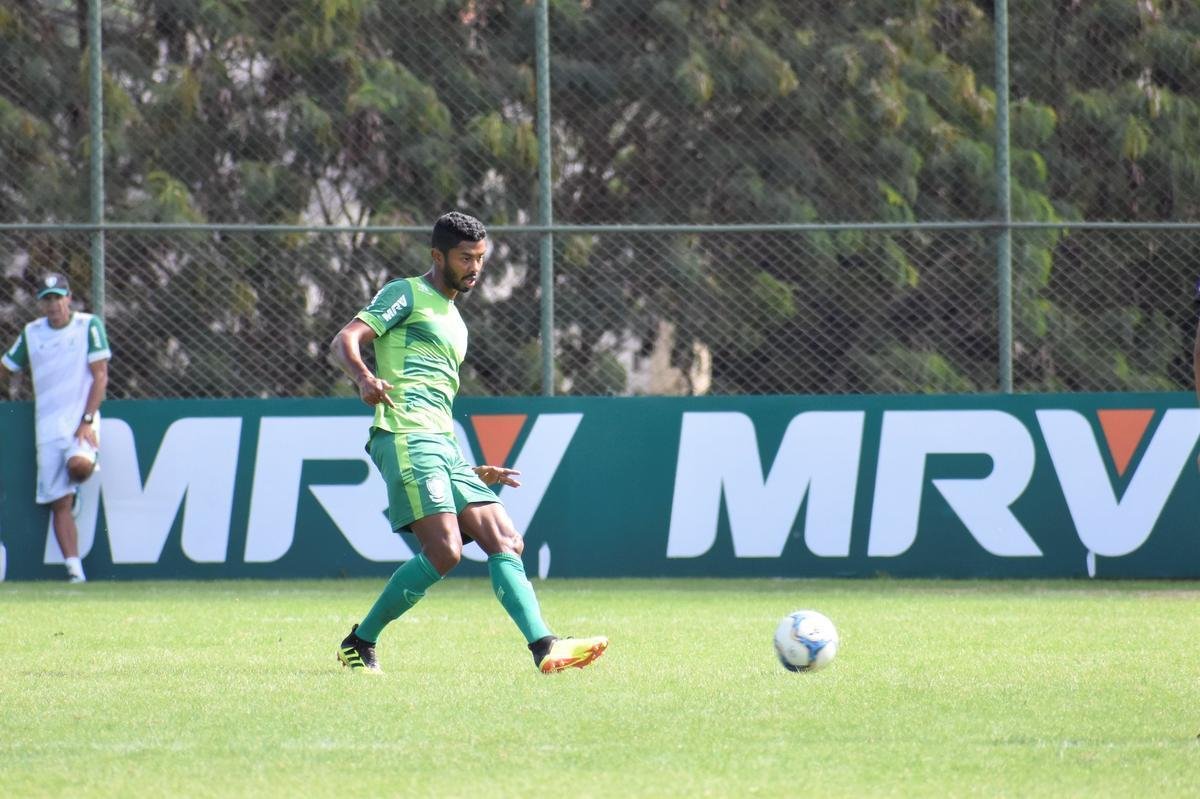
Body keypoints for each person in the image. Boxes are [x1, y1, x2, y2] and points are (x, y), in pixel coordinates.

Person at [329, 211, 607, 674]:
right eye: (465, 258)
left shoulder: (456, 320)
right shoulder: (406, 293)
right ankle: (360, 642)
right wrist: (363, 377)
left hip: (443, 446)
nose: (475, 267)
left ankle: (545, 647)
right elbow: (345, 339)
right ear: (438, 256)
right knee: (445, 551)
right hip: (405, 434)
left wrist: (467, 469)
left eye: (480, 257)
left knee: (506, 539)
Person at [1, 273, 111, 583]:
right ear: (41, 304)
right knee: (58, 503)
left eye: (57, 298)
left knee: (78, 466)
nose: (53, 305)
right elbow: (7, 366)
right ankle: (75, 572)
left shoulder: (88, 325)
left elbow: (100, 375)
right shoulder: (32, 332)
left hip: (80, 423)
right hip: (47, 426)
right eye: (47, 299)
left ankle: (76, 483)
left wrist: (87, 419)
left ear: (69, 298)